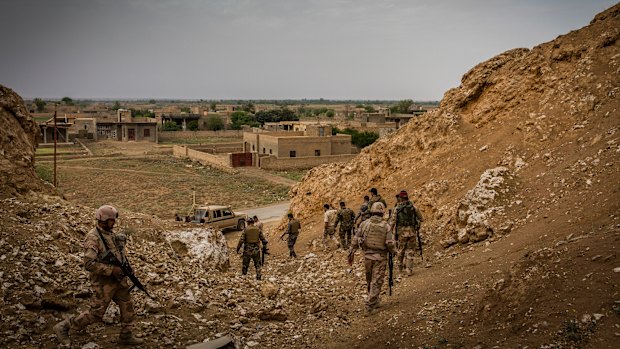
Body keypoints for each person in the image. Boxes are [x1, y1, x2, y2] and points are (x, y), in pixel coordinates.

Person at [54, 205, 143, 346]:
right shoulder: (93, 238)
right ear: (104, 220)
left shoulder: (110, 234)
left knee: (127, 307)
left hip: (118, 281)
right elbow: (88, 264)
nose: (114, 223)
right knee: (96, 314)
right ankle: (65, 326)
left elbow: (117, 255)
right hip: (103, 283)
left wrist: (126, 269)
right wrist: (110, 270)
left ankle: (126, 335)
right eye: (112, 220)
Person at [348, 202, 396, 314]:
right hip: (380, 257)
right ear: (382, 213)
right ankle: (370, 305)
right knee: (377, 281)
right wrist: (394, 252)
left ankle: (374, 300)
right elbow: (389, 243)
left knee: (369, 280)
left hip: (367, 257)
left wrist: (351, 251)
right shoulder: (386, 226)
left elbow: (355, 238)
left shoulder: (364, 224)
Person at [393, 190, 424, 276]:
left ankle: (400, 268)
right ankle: (409, 269)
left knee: (401, 250)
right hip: (412, 232)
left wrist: (391, 233)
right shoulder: (413, 207)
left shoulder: (397, 208)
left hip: (401, 233)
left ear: (400, 198)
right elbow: (421, 218)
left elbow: (392, 222)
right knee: (410, 250)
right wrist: (417, 224)